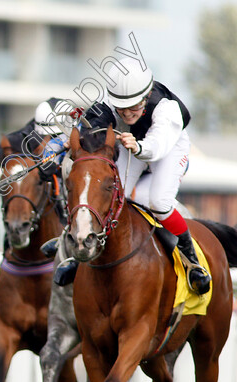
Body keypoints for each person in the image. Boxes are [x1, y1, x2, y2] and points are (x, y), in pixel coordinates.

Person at [57, 56, 210, 295]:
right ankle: (81, 253)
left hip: (166, 149)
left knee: (159, 202)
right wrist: (78, 138)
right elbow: (94, 125)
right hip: (133, 145)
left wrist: (139, 147)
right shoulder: (109, 101)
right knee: (115, 196)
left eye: (134, 107)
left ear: (146, 96)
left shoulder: (167, 109)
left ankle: (192, 260)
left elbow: (157, 146)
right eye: (121, 108)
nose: (127, 114)